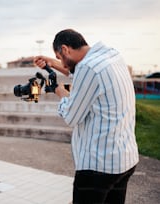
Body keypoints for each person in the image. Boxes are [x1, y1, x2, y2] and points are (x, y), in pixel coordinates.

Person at [34, 29, 139, 204]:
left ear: (66, 49)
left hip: (98, 166)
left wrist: (59, 91)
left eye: (60, 57)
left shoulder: (87, 68)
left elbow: (71, 116)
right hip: (124, 160)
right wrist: (53, 63)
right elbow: (81, 73)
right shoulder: (112, 56)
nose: (63, 64)